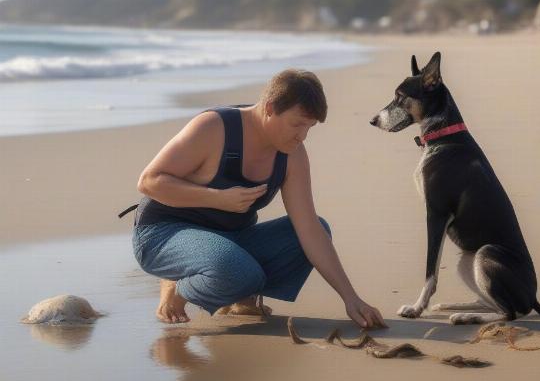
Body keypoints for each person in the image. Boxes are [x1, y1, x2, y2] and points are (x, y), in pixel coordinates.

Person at [128, 69, 386, 329]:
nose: (302, 136)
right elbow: (149, 181)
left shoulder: (292, 154)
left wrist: (350, 298)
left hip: (230, 241)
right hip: (163, 234)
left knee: (317, 229)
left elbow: (308, 228)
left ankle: (240, 292)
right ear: (270, 108)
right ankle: (178, 288)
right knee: (236, 270)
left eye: (309, 127)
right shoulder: (215, 127)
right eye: (297, 124)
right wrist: (216, 198)